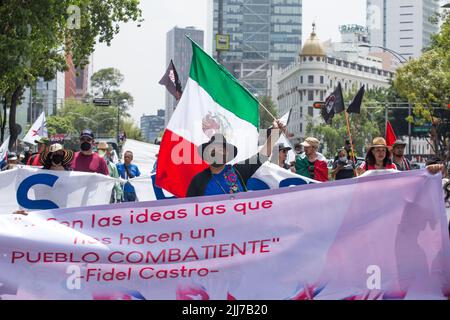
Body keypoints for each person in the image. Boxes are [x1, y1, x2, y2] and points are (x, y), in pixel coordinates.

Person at [187, 120, 284, 197]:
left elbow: (262, 156)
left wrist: (275, 133)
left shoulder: (238, 171)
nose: (218, 152)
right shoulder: (198, 180)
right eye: (213, 149)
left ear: (227, 154)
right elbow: (190, 208)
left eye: (221, 149)